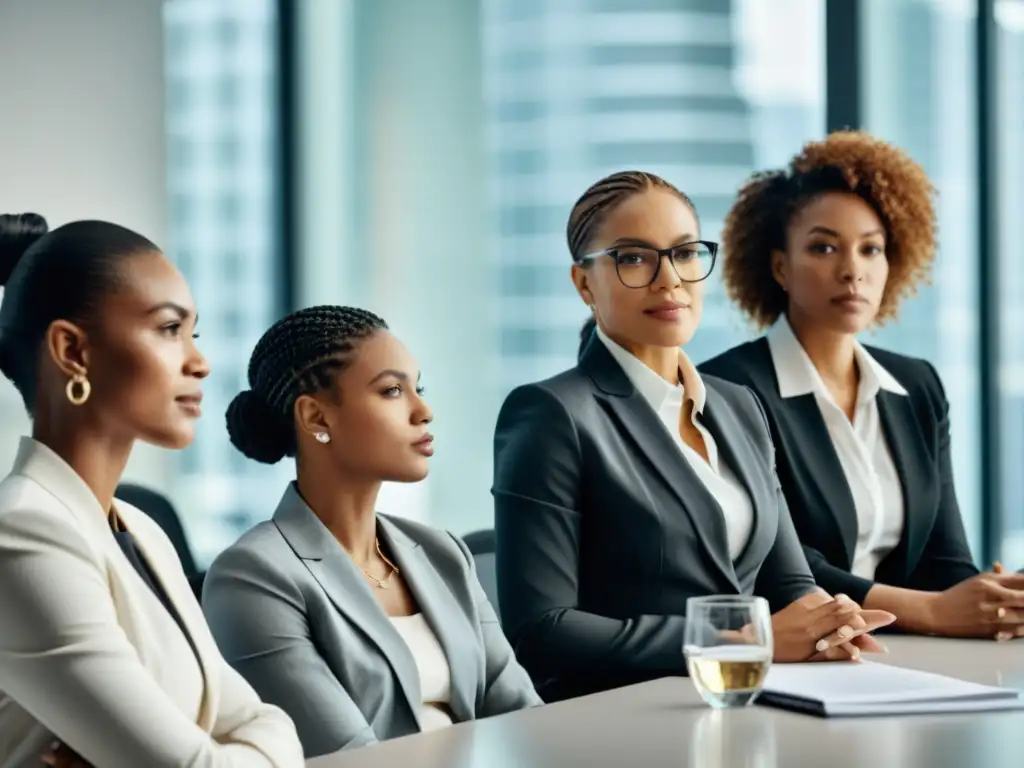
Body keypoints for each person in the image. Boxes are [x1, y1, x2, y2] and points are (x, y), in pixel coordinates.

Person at [491, 171, 895, 703]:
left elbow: (788, 582)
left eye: (684, 254)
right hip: (621, 717)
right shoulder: (551, 413)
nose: (669, 279)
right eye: (633, 258)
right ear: (584, 283)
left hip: (751, 699)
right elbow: (542, 631)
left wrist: (830, 624)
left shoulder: (737, 406)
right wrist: (749, 639)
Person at [0, 213, 303, 768]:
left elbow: (264, 719)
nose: (200, 361)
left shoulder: (142, 531)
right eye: (169, 329)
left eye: (195, 333)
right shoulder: (22, 536)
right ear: (72, 351)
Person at [700, 131, 1024, 641]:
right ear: (780, 266)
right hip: (801, 653)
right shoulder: (728, 388)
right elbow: (777, 563)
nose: (852, 271)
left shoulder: (917, 386)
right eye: (824, 247)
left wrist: (995, 601)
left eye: (871, 249)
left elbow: (945, 559)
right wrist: (934, 611)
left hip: (905, 659)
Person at [202, 306, 541, 758]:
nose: (424, 411)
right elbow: (349, 755)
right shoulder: (251, 577)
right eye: (392, 391)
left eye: (417, 388)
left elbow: (526, 716)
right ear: (316, 418)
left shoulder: (443, 553)